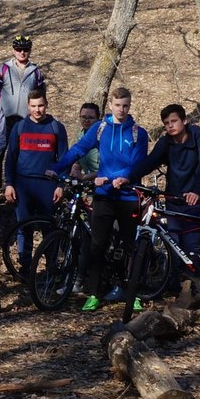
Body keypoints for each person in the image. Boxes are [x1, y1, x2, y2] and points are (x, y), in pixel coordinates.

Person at [50, 87, 149, 311]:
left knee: (129, 245)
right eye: (117, 105)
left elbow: (136, 163)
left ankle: (132, 292)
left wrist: (114, 177)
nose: (121, 109)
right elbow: (78, 150)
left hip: (128, 195)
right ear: (111, 106)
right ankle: (94, 293)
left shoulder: (137, 133)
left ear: (129, 105)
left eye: (125, 105)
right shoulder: (100, 128)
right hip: (104, 196)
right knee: (97, 245)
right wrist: (56, 168)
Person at [117, 104, 200, 277]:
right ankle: (175, 287)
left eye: (174, 121)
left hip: (195, 202)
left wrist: (197, 191)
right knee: (173, 246)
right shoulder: (165, 141)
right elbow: (149, 162)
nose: (170, 125)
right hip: (173, 201)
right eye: (166, 122)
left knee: (191, 248)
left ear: (185, 120)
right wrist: (129, 177)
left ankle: (196, 288)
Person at [2, 89, 66, 267]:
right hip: (23, 185)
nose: (37, 110)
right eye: (33, 106)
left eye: (41, 105)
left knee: (49, 228)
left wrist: (61, 184)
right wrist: (9, 184)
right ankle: (25, 267)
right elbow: (11, 159)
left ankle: (52, 267)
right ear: (27, 106)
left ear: (46, 105)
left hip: (48, 186)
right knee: (24, 227)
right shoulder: (19, 127)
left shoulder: (56, 128)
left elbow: (64, 159)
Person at [0, 35, 47, 137]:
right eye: (18, 49)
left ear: (30, 51)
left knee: (21, 150)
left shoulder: (36, 72)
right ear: (13, 50)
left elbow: (40, 98)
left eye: (25, 49)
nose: (22, 52)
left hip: (25, 119)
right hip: (3, 118)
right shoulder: (3, 69)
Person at [71, 102, 101, 179]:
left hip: (105, 184)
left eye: (91, 118)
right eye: (83, 117)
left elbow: (110, 169)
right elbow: (79, 160)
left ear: (98, 119)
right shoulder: (80, 136)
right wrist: (75, 168)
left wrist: (84, 177)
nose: (86, 120)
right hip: (88, 184)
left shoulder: (103, 138)